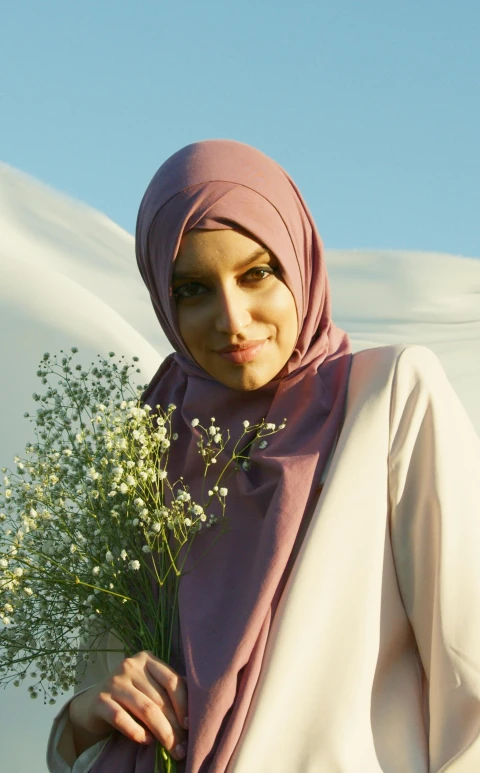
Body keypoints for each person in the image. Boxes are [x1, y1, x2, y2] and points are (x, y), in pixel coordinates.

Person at [48, 140, 480, 773]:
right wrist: (89, 712)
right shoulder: (154, 446)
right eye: (193, 289)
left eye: (256, 274)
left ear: (298, 262)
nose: (233, 319)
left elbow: (466, 664)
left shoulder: (390, 399)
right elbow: (102, 691)